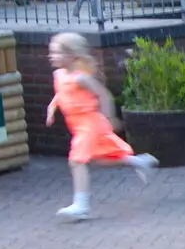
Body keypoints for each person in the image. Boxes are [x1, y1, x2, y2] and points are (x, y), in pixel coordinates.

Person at [45, 32, 157, 220]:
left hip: (90, 123)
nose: (51, 57)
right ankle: (138, 161)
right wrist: (52, 107)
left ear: (72, 56)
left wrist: (109, 117)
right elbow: (61, 94)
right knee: (98, 159)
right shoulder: (59, 75)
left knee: (76, 161)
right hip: (77, 125)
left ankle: (81, 205)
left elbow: (104, 95)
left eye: (56, 53)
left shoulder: (81, 78)